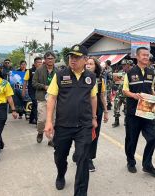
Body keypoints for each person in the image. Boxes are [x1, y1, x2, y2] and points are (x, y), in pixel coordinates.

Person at [44, 44, 98, 195]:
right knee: (60, 156)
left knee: (82, 159)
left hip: (84, 126)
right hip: (63, 125)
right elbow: (52, 98)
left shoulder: (91, 77)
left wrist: (94, 117)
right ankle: (61, 174)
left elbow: (93, 98)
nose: (72, 60)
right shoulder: (60, 75)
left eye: (76, 57)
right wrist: (49, 121)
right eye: (70, 57)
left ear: (85, 59)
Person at [123, 47, 155, 177]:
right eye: (143, 55)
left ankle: (147, 164)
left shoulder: (151, 72)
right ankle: (131, 161)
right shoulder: (130, 72)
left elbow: (151, 89)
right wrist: (133, 95)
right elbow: (124, 90)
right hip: (133, 112)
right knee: (131, 139)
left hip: (148, 110)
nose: (146, 57)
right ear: (137, 57)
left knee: (152, 138)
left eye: (147, 55)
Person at [84, 57, 109, 171]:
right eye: (87, 63)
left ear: (96, 67)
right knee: (81, 134)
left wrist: (105, 112)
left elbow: (102, 96)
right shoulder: (79, 78)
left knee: (94, 134)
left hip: (96, 111)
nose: (88, 65)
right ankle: (79, 153)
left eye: (91, 64)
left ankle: (89, 158)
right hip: (82, 110)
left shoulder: (100, 80)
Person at [33, 52, 57, 146]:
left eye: (52, 58)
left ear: (55, 59)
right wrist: (44, 87)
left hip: (54, 98)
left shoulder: (58, 71)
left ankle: (51, 139)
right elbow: (34, 83)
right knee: (42, 119)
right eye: (48, 58)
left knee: (53, 120)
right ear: (45, 60)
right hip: (42, 97)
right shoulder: (39, 70)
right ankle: (40, 132)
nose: (50, 60)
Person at [22, 57, 43, 124]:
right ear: (35, 63)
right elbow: (25, 81)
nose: (40, 64)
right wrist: (23, 91)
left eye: (40, 62)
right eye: (38, 62)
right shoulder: (30, 71)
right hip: (32, 91)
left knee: (34, 104)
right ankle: (37, 121)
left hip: (40, 90)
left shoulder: (43, 70)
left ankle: (31, 119)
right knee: (36, 103)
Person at [112, 60, 131, 128]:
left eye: (125, 65)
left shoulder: (130, 73)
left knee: (127, 109)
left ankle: (126, 121)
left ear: (128, 65)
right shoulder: (120, 73)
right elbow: (115, 82)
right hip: (119, 93)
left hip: (126, 94)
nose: (124, 66)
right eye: (122, 65)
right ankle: (116, 121)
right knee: (116, 107)